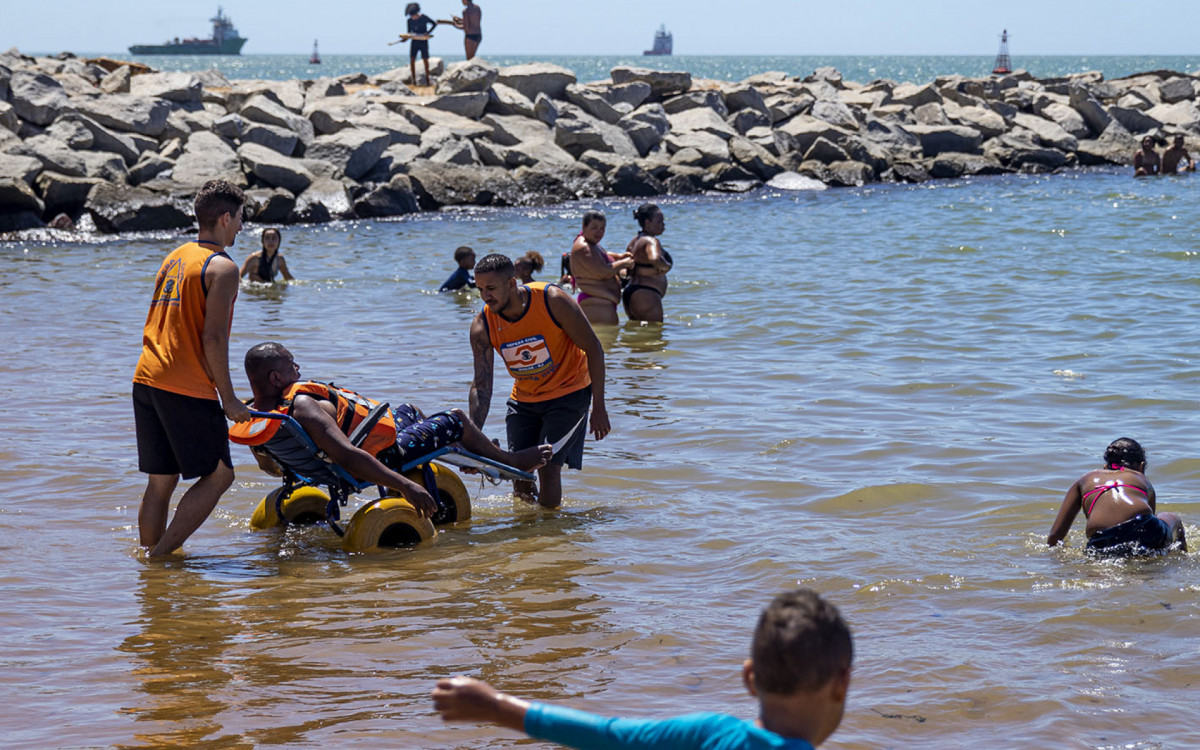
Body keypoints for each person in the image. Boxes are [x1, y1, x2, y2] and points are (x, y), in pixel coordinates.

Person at [432, 588, 853, 750]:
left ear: (749, 677)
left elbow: (609, 734)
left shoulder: (710, 734)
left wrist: (495, 706)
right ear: (842, 683)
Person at [235, 342, 552, 518]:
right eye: (293, 366)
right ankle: (509, 460)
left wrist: (310, 464)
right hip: (380, 458)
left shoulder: (256, 415)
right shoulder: (302, 406)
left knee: (409, 411)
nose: (299, 370)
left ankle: (474, 454)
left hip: (326, 468)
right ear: (276, 377)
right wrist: (407, 487)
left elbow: (269, 466)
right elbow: (347, 456)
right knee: (454, 418)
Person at [132, 179, 252, 558]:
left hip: (147, 377)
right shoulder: (224, 268)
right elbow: (213, 338)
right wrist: (229, 399)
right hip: (186, 386)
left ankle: (149, 565)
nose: (241, 228)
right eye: (240, 220)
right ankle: (160, 557)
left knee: (161, 481)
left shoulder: (175, 255)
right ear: (226, 218)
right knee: (220, 474)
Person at [469, 253, 611, 508]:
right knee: (519, 475)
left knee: (547, 466)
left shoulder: (552, 301)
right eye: (480, 289)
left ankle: (549, 535)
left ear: (512, 284)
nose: (485, 297)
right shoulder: (483, 324)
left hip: (570, 393)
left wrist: (598, 406)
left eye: (491, 288)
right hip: (524, 400)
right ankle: (529, 538)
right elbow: (481, 385)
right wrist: (474, 436)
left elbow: (593, 348)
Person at [1047, 437, 1187, 555]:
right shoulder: (1139, 477)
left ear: (1105, 466)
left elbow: (1055, 536)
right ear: (1141, 466)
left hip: (1101, 541)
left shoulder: (1084, 479)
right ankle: (1181, 560)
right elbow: (1150, 517)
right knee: (1173, 519)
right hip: (1146, 530)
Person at [570, 211, 634, 326]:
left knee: (608, 342)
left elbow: (599, 256)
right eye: (594, 227)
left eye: (602, 228)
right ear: (584, 226)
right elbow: (602, 272)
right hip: (596, 304)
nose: (599, 232)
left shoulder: (590, 243)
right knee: (606, 342)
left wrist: (618, 256)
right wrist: (624, 263)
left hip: (600, 302)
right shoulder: (584, 247)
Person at [622, 203, 674, 323]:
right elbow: (655, 259)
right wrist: (666, 267)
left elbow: (626, 265)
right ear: (647, 223)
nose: (663, 224)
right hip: (646, 294)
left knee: (636, 338)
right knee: (654, 336)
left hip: (630, 293)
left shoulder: (635, 241)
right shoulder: (651, 241)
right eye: (660, 221)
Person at [403, 3, 438, 87]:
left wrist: (428, 32)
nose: (413, 17)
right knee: (412, 59)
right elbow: (409, 32)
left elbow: (434, 23)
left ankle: (427, 80)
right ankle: (414, 80)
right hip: (414, 41)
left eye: (414, 15)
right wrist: (405, 38)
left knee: (425, 60)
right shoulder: (409, 21)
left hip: (423, 41)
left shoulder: (423, 17)